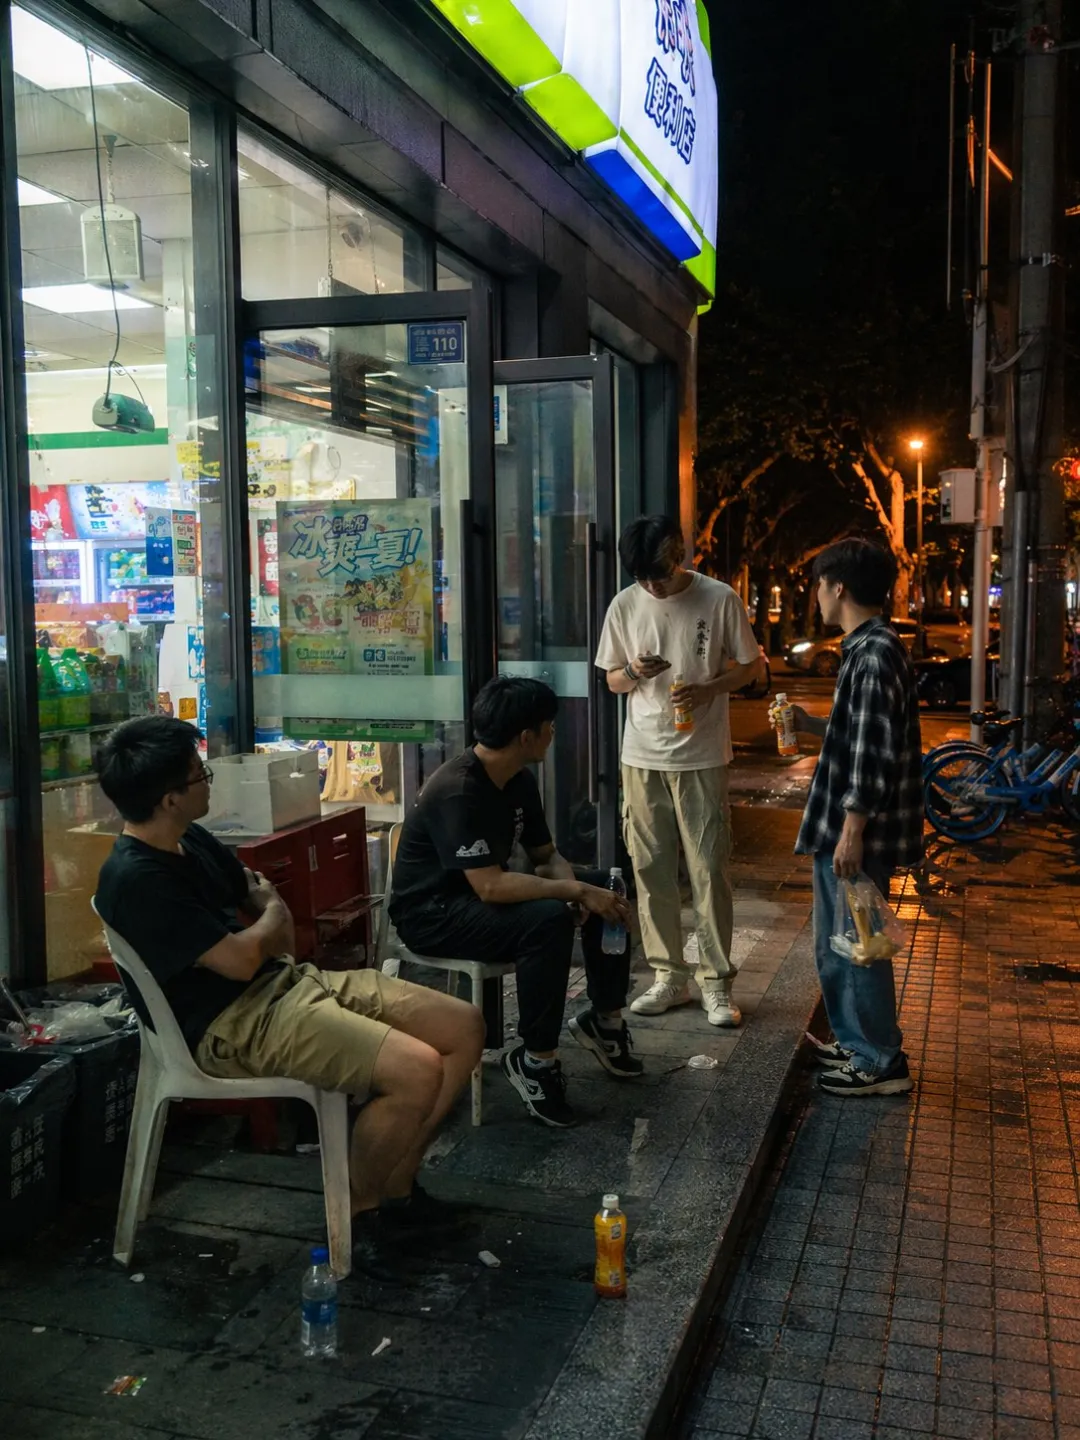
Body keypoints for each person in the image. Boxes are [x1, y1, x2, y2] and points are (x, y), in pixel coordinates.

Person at [95, 716, 485, 1238]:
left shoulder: (191, 840)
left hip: (283, 984)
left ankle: (397, 1185)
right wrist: (272, 916)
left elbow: (262, 930)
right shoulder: (138, 879)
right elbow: (246, 951)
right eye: (200, 774)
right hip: (230, 1025)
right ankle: (362, 1216)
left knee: (463, 1027)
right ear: (169, 798)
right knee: (415, 1071)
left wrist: (264, 927)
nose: (208, 780)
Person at [389, 676, 642, 1130]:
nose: (554, 733)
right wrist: (571, 893)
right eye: (550, 725)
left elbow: (545, 855)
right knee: (545, 920)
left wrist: (577, 890)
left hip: (480, 899)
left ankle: (604, 1020)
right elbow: (490, 887)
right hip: (432, 914)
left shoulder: (517, 779)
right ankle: (536, 1061)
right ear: (527, 736)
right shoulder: (459, 789)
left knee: (610, 883)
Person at [595, 515, 764, 1027]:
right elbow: (612, 681)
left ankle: (716, 982)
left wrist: (711, 687)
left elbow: (750, 665)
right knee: (650, 870)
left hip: (701, 756)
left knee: (709, 870)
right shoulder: (625, 603)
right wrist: (632, 672)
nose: (653, 586)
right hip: (641, 755)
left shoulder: (718, 598)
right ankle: (669, 977)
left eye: (661, 576)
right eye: (644, 578)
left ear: (682, 555)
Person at [789, 537, 922, 1096]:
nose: (816, 596)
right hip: (849, 833)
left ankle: (878, 1059)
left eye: (819, 585)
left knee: (859, 947)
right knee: (843, 944)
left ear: (837, 587)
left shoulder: (871, 654)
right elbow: (858, 732)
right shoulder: (872, 647)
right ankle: (856, 1042)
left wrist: (852, 832)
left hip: (853, 839)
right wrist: (809, 723)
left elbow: (871, 755)